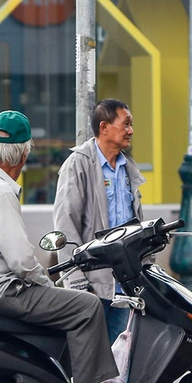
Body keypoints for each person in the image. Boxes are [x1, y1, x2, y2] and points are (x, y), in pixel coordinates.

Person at [0, 110, 123, 383]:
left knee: (69, 307)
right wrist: (47, 284)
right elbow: (21, 261)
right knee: (86, 306)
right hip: (2, 294)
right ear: (23, 154)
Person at [53, 99, 145, 341]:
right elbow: (65, 226)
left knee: (120, 359)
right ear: (104, 127)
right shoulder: (78, 164)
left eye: (131, 125)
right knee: (94, 362)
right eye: (125, 124)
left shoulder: (127, 168)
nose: (131, 131)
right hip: (91, 285)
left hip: (125, 284)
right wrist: (76, 281)